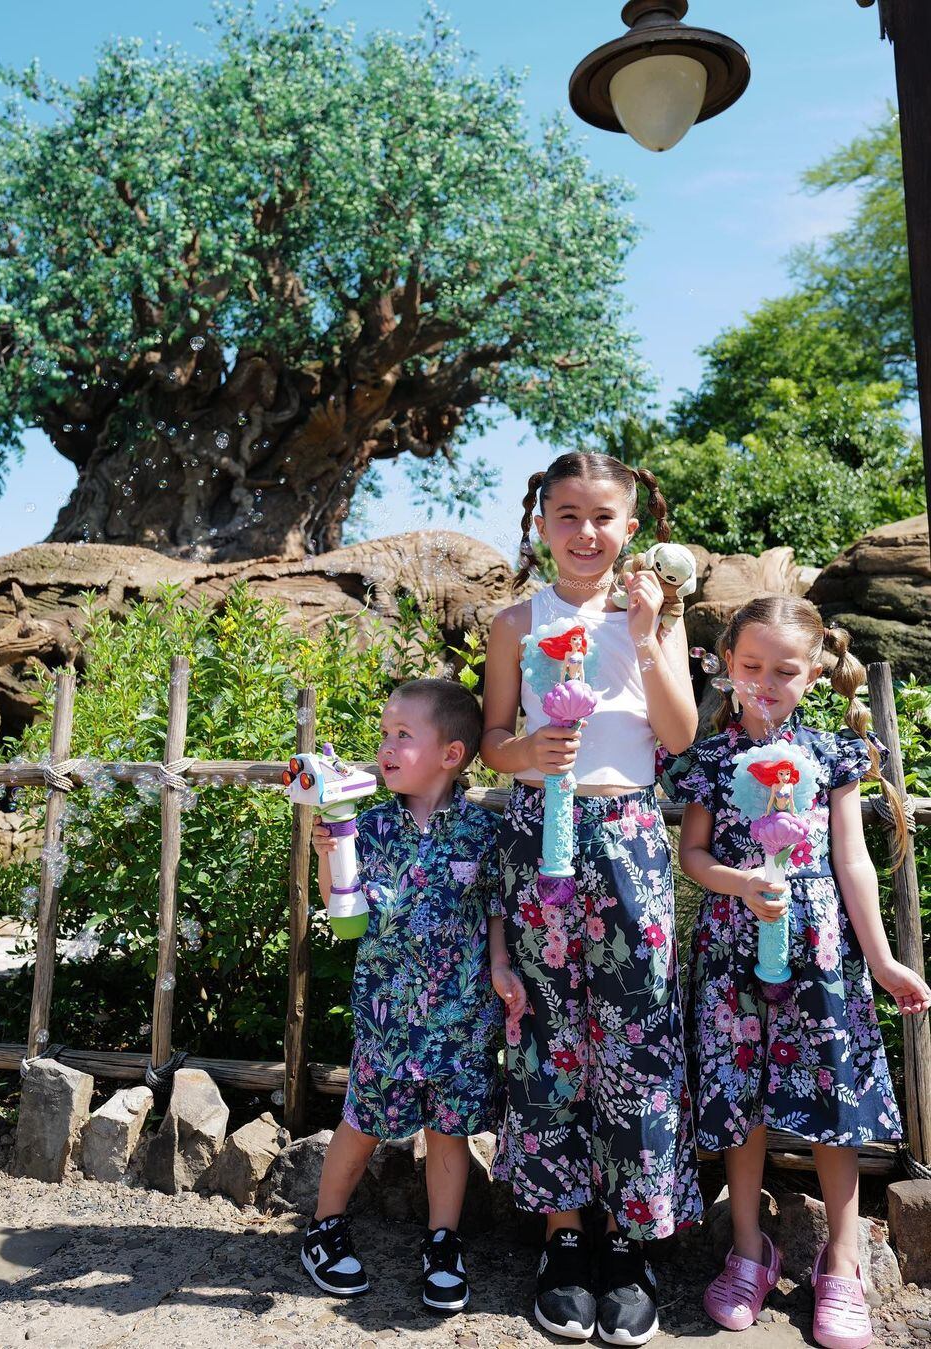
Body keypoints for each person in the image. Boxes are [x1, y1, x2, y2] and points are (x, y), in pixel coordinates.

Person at [664, 595, 931, 1349]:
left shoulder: (833, 754)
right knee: (737, 1097)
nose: (767, 682)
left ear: (814, 672)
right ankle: (748, 1246)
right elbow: (693, 855)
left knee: (832, 1100)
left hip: (820, 951)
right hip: (728, 949)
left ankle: (841, 1263)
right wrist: (740, 882)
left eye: (786, 670)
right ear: (725, 664)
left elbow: (852, 860)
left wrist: (880, 959)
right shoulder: (712, 758)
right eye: (751, 667)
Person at [481, 451, 701, 1345]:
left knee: (635, 1034)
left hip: (633, 842)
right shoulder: (513, 621)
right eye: (566, 515)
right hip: (540, 839)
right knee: (547, 1033)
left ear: (631, 527)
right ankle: (562, 1237)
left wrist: (647, 637)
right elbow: (494, 736)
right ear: (541, 525)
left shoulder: (655, 616)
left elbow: (679, 738)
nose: (585, 533)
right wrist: (521, 754)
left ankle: (630, 1239)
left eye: (602, 517)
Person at [299, 677, 515, 1314]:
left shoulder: (482, 832)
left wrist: (501, 965)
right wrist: (327, 855)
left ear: (451, 754)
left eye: (403, 736)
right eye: (384, 735)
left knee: (449, 1132)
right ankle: (325, 1226)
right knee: (363, 1121)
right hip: (387, 1013)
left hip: (461, 1016)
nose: (386, 748)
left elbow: (496, 910)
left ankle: (442, 1243)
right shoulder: (366, 826)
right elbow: (347, 914)